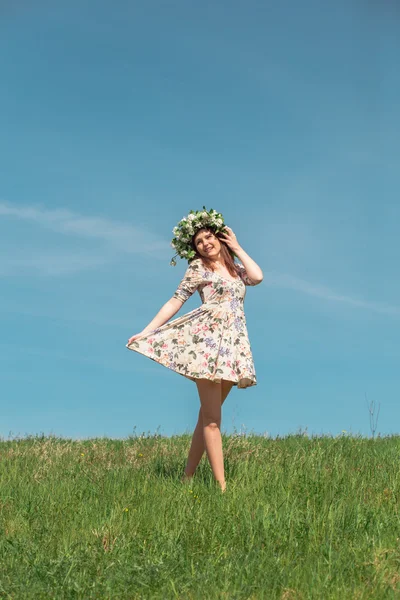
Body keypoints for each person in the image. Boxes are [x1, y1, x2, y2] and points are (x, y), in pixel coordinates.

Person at [126, 208, 263, 492]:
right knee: (212, 420)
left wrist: (236, 246)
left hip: (232, 345)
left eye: (209, 237)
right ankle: (222, 487)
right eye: (199, 241)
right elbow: (176, 300)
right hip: (206, 344)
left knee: (206, 415)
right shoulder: (199, 268)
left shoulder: (235, 269)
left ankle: (187, 478)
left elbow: (257, 276)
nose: (204, 244)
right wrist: (148, 330)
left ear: (220, 238)